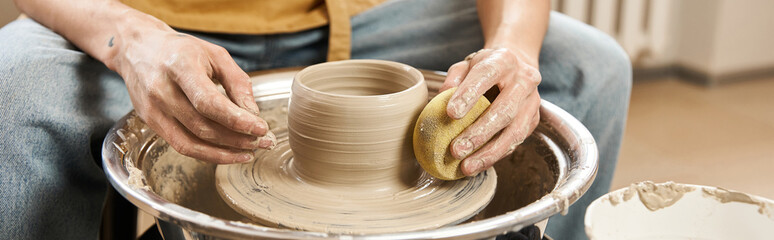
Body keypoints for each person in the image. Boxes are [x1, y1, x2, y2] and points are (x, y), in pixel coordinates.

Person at [0, 0, 631, 239]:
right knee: (16, 93)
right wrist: (127, 38)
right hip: (146, 17)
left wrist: (515, 46)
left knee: (592, 67)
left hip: (381, 13)